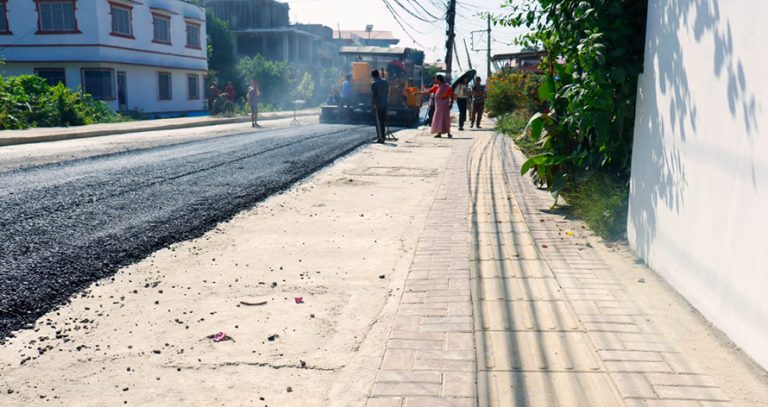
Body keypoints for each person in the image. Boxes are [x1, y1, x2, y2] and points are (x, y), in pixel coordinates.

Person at [371, 69, 389, 144]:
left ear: (372, 76)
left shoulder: (374, 83)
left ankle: (380, 138)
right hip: (385, 104)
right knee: (383, 121)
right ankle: (383, 137)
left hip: (378, 105)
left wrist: (372, 105)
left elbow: (374, 96)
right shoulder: (385, 82)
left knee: (378, 122)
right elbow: (387, 92)